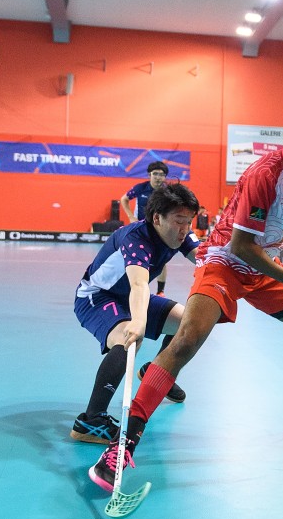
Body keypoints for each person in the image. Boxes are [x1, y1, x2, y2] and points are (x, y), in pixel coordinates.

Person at [89, 96, 283, 492]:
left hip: (264, 266)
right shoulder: (264, 175)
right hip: (226, 262)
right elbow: (241, 247)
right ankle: (121, 445)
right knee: (186, 343)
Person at [71, 185, 200, 444]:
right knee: (129, 338)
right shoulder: (135, 238)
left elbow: (207, 260)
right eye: (178, 221)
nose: (184, 228)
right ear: (157, 218)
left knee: (191, 324)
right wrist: (138, 322)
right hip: (97, 297)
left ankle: (156, 370)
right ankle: (91, 420)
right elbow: (139, 285)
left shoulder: (180, 234)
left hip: (128, 295)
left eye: (189, 221)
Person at [120, 161, 171, 295]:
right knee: (136, 260)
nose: (158, 177)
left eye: (162, 174)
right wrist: (131, 216)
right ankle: (131, 288)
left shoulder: (168, 192)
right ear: (149, 175)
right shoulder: (140, 188)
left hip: (160, 231)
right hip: (140, 230)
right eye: (155, 174)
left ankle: (160, 291)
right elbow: (124, 199)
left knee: (161, 261)